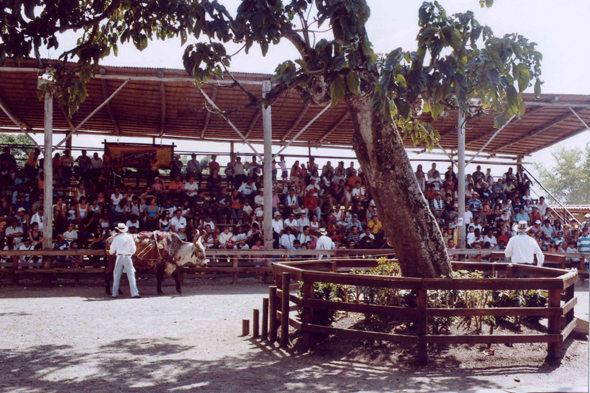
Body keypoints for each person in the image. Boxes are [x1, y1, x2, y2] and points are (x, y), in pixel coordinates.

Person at [109, 223, 140, 298]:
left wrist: (112, 252)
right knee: (131, 275)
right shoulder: (130, 237)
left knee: (116, 275)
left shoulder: (116, 238)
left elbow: (112, 251)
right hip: (128, 256)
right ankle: (134, 293)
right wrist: (130, 253)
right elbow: (134, 249)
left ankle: (114, 293)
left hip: (119, 256)